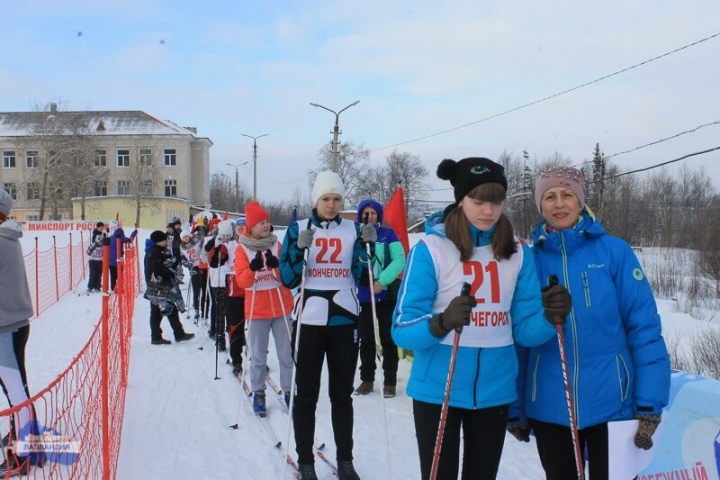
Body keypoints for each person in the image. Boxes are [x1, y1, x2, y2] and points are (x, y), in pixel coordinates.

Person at [391, 157, 572, 480]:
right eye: (478, 201)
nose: (488, 211)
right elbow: (402, 329)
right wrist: (440, 322)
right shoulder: (431, 249)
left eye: (496, 202)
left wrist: (549, 317)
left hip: (494, 390)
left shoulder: (518, 252)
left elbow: (523, 330)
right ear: (460, 199)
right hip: (438, 389)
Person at [508, 166, 671, 480]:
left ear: (580, 201)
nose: (559, 204)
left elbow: (645, 330)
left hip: (614, 404)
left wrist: (649, 403)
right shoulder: (529, 261)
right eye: (550, 196)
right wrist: (515, 406)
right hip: (550, 405)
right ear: (540, 206)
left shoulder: (614, 252)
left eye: (567, 195)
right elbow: (518, 338)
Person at [279, 171, 376, 480]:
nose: (331, 205)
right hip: (309, 320)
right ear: (315, 200)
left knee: (341, 396)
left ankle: (345, 459)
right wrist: (298, 249)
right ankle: (305, 459)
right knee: (306, 395)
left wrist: (367, 249)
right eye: (325, 199)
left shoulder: (355, 228)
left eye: (336, 199)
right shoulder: (298, 229)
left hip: (344, 320)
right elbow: (287, 277)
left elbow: (364, 276)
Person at [234, 201, 294, 416]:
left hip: (281, 307)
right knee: (259, 357)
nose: (266, 226)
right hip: (257, 311)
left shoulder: (277, 245)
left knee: (286, 355)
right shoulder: (242, 249)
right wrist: (252, 269)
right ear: (251, 227)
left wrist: (277, 267)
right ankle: (259, 392)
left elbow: (286, 277)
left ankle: (288, 391)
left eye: (268, 221)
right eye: (261, 223)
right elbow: (242, 282)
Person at [0, 188, 44, 476]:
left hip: (6, 328)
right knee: (16, 391)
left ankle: (25, 454)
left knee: (17, 393)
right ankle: (26, 439)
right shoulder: (7, 238)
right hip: (11, 325)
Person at [353, 199, 406, 398]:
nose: (370, 216)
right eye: (366, 213)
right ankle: (367, 380)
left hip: (385, 295)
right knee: (366, 339)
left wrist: (382, 281)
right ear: (360, 215)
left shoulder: (387, 234)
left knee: (388, 339)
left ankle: (390, 381)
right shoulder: (355, 235)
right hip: (364, 296)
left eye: (374, 213)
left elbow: (400, 260)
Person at [143, 230, 195, 345]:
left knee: (164, 311)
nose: (167, 242)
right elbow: (158, 270)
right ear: (159, 241)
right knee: (164, 311)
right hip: (158, 288)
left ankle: (175, 334)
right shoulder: (155, 252)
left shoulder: (152, 251)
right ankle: (164, 336)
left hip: (156, 287)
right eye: (165, 240)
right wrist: (171, 272)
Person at [201, 220, 235, 352]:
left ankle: (231, 333)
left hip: (231, 280)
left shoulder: (235, 243)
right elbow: (204, 258)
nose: (226, 239)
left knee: (230, 310)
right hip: (217, 281)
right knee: (219, 310)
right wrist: (214, 248)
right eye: (224, 235)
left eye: (228, 236)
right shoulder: (213, 241)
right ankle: (219, 337)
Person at [223, 217, 247, 376]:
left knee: (257, 329)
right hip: (235, 292)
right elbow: (214, 260)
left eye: (245, 226)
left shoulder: (254, 244)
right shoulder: (229, 245)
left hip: (253, 291)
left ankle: (259, 359)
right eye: (239, 227)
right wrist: (214, 247)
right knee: (236, 326)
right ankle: (237, 360)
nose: (242, 229)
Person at [108, 222, 138, 290]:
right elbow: (130, 240)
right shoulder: (120, 237)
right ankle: (119, 287)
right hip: (118, 260)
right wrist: (134, 233)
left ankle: (113, 288)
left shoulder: (110, 238)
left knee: (113, 275)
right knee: (120, 275)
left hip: (110, 261)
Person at [86, 221, 107, 293]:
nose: (102, 228)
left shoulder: (102, 234)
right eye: (100, 227)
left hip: (99, 258)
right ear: (97, 227)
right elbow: (97, 242)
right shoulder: (95, 234)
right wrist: (104, 239)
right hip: (93, 257)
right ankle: (90, 287)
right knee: (93, 273)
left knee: (99, 273)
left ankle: (97, 287)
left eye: (102, 227)